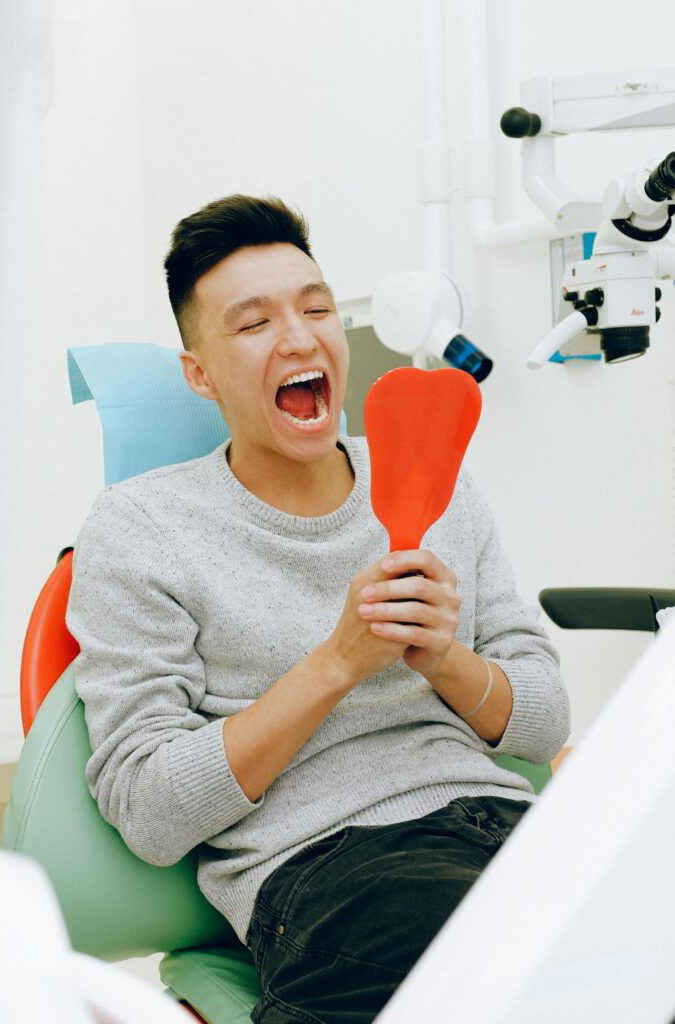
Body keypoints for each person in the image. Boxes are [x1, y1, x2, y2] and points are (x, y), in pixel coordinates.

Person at [66, 194, 570, 1024]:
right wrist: (336, 664)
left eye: (317, 308)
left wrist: (445, 657)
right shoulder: (142, 527)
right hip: (330, 869)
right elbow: (149, 811)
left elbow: (541, 721)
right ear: (198, 372)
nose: (299, 338)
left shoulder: (434, 481)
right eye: (253, 323)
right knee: (502, 960)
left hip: (503, 827)